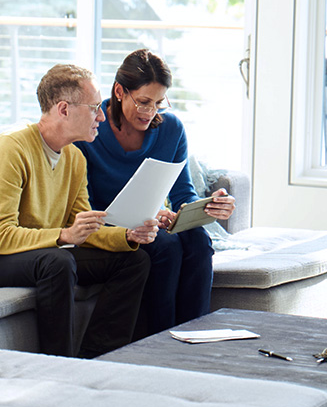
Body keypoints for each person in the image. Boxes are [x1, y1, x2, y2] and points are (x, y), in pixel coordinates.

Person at [0, 63, 158, 358]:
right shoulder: (11, 149)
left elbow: (85, 229)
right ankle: (59, 363)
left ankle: (100, 356)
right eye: (93, 108)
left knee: (134, 261)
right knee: (58, 261)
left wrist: (128, 235)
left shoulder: (75, 159)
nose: (102, 116)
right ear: (64, 109)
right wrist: (64, 235)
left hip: (37, 252)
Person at [74, 49, 236, 339]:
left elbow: (182, 192)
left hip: (151, 223)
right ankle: (161, 341)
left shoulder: (171, 128)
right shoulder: (91, 129)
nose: (150, 112)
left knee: (198, 239)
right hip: (109, 228)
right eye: (144, 102)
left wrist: (205, 207)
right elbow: (83, 202)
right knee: (165, 247)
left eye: (159, 103)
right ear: (120, 91)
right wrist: (143, 216)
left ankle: (194, 337)